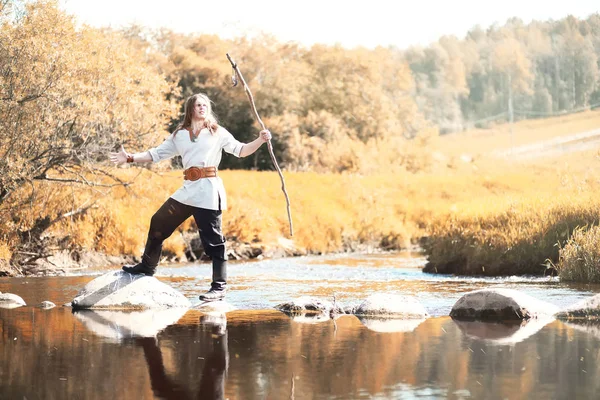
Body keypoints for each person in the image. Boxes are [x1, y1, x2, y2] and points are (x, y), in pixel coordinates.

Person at [109, 93, 271, 301]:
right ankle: (147, 267)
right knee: (158, 222)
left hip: (208, 191)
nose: (202, 108)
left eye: (205, 105)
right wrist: (130, 157)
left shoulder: (217, 132)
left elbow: (241, 151)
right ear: (190, 109)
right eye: (198, 105)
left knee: (214, 241)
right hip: (187, 191)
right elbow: (156, 154)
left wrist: (260, 139)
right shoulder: (180, 135)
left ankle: (218, 288)